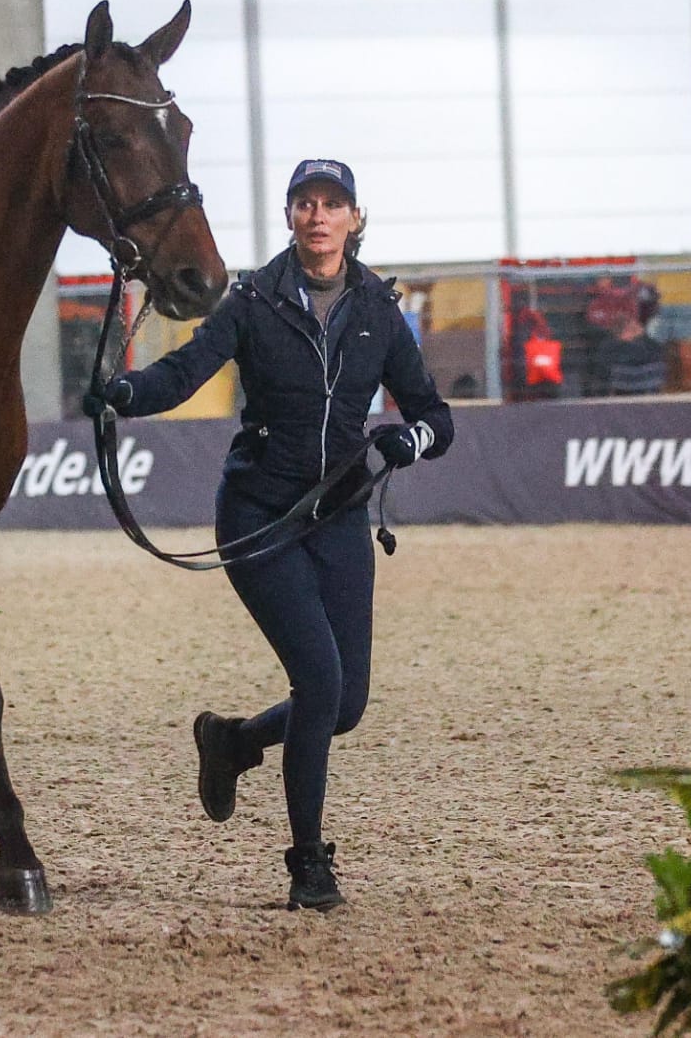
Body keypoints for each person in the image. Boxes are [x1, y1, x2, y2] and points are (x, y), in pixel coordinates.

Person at [86, 158, 454, 911]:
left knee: (346, 704)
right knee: (318, 680)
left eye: (332, 204)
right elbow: (187, 367)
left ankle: (235, 742)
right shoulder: (254, 298)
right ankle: (308, 862)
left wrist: (400, 443)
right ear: (290, 217)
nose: (318, 216)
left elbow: (434, 416)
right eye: (304, 203)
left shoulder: (380, 309)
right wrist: (126, 392)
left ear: (354, 218)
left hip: (341, 513)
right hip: (258, 516)